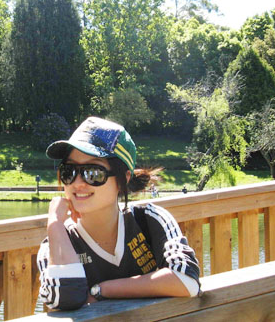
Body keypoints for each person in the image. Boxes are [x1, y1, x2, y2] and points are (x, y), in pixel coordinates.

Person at [37, 117, 200, 310]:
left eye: (93, 172)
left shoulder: (149, 220)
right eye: (69, 171)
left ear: (124, 178)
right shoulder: (57, 242)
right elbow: (64, 297)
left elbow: (187, 280)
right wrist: (55, 223)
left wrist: (103, 290)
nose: (78, 183)